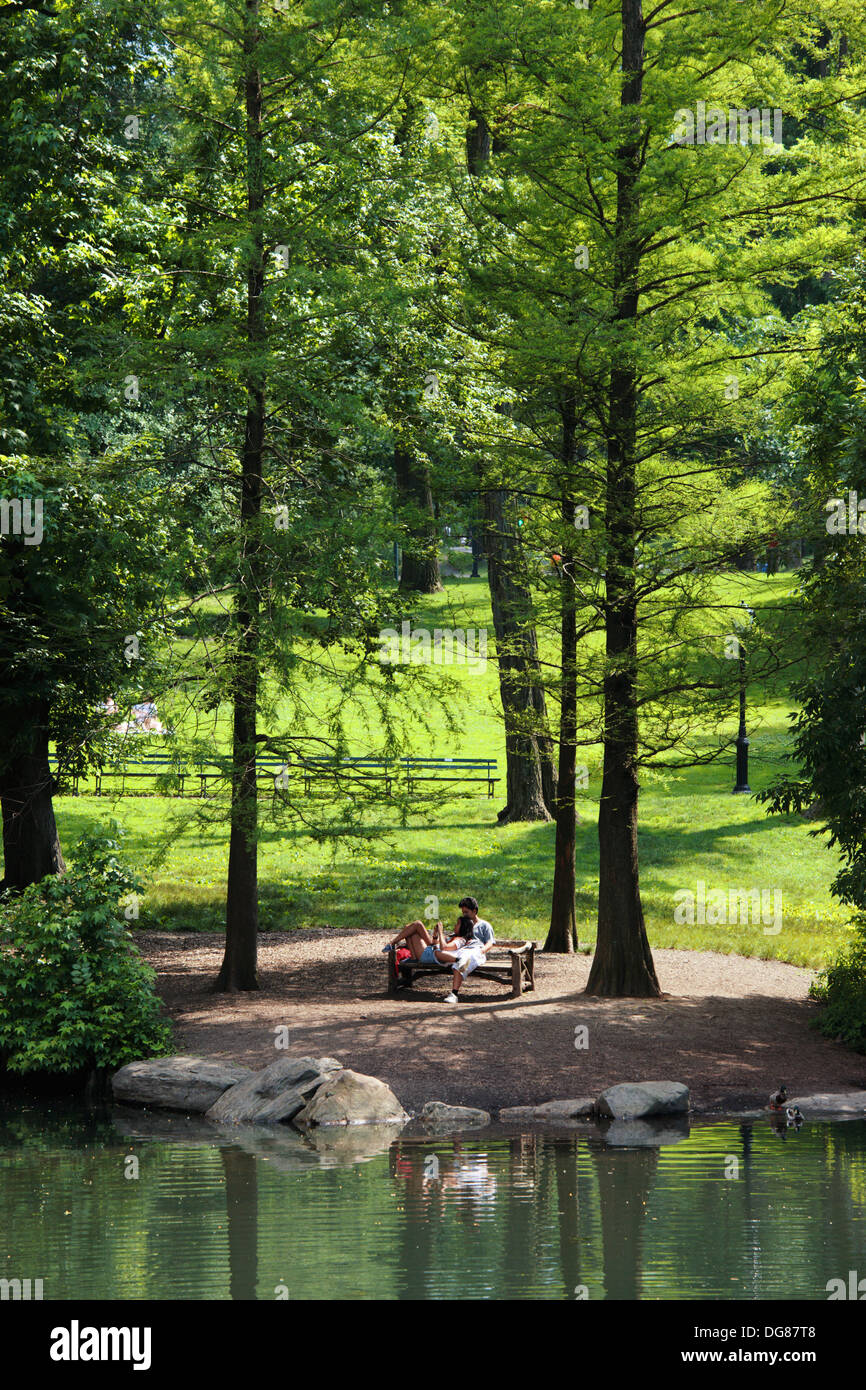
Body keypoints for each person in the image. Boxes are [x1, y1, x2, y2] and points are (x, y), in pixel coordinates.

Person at [443, 896, 495, 1003]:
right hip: (461, 949)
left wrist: (482, 951)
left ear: (474, 911)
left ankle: (454, 994)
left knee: (463, 960)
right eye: (463, 912)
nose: (464, 915)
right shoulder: (463, 923)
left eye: (466, 912)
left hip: (475, 951)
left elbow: (490, 942)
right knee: (452, 956)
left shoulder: (484, 925)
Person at [383, 916, 472, 970]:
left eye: (457, 924)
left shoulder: (460, 940)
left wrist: (441, 932)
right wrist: (435, 934)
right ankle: (412, 957)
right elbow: (435, 943)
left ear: (463, 927)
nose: (455, 925)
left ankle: (391, 944)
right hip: (430, 952)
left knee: (418, 924)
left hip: (429, 955)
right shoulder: (454, 936)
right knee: (408, 928)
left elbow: (444, 947)